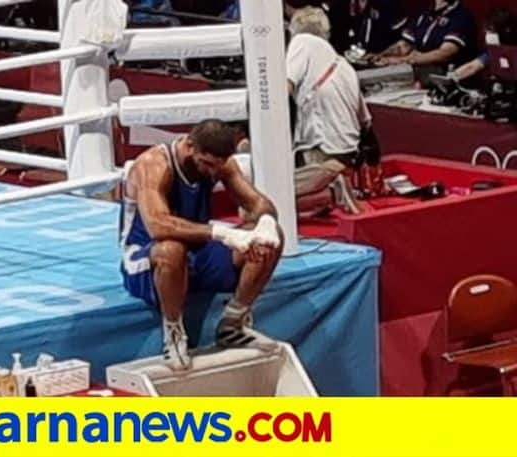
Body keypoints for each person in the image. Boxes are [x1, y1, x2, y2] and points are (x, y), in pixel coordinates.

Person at [120, 119, 283, 371]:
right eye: (206, 164)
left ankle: (233, 323)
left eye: (216, 166)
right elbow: (157, 226)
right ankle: (173, 333)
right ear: (189, 145)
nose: (211, 172)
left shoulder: (220, 165)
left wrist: (266, 222)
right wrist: (222, 233)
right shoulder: (153, 165)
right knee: (171, 248)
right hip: (147, 256)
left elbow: (258, 203)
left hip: (196, 250)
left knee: (269, 240)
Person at [287, 7, 371, 214]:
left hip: (321, 150)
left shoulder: (302, 41)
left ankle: (332, 191)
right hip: (347, 154)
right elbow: (366, 121)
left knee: (262, 202)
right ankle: (332, 192)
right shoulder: (344, 64)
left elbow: (284, 87)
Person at [374, 0, 476, 72]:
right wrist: (381, 55)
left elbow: (445, 54)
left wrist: (405, 60)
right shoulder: (424, 15)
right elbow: (403, 46)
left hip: (445, 78)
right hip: (417, 76)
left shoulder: (461, 17)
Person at [452, 9, 517, 82]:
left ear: (506, 31)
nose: (487, 34)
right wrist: (452, 76)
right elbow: (472, 66)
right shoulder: (492, 52)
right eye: (486, 30)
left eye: (491, 30)